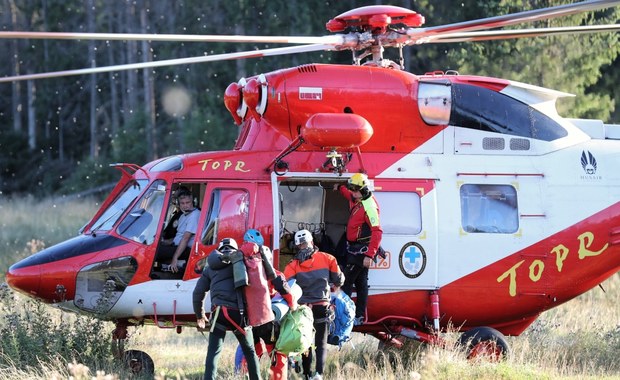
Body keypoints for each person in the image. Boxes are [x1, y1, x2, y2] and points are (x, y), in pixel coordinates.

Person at [192, 238, 262, 380]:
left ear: (219, 250)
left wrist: (200, 315)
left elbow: (198, 293)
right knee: (249, 351)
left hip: (220, 312)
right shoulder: (243, 261)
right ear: (235, 249)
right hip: (240, 313)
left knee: (213, 352)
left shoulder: (210, 266)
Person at [237, 229, 298, 380]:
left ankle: (243, 376)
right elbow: (284, 289)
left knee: (252, 352)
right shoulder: (271, 271)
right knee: (277, 352)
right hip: (266, 318)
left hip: (245, 320)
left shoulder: (238, 268)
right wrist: (292, 303)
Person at [284, 229, 345, 380]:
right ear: (312, 241)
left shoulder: (293, 265)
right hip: (322, 306)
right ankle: (319, 374)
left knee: (305, 341)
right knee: (321, 342)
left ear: (297, 246)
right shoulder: (328, 258)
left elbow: (286, 287)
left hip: (303, 309)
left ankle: (305, 374)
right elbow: (338, 280)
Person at [337, 173, 383, 325]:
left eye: (355, 190)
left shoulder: (370, 207)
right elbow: (347, 194)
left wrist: (369, 255)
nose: (352, 192)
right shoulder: (357, 198)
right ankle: (359, 315)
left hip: (361, 252)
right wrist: (340, 187)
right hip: (356, 249)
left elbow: (377, 231)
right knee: (361, 282)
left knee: (346, 281)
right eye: (352, 189)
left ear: (363, 189)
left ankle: (346, 315)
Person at [158, 188, 200, 273]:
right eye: (182, 203)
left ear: (193, 202)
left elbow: (185, 238)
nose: (185, 205)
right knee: (154, 247)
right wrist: (163, 241)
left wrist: (175, 259)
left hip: (187, 249)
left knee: (156, 252)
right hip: (178, 247)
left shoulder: (194, 215)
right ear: (178, 204)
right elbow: (178, 236)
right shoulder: (182, 216)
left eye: (188, 202)